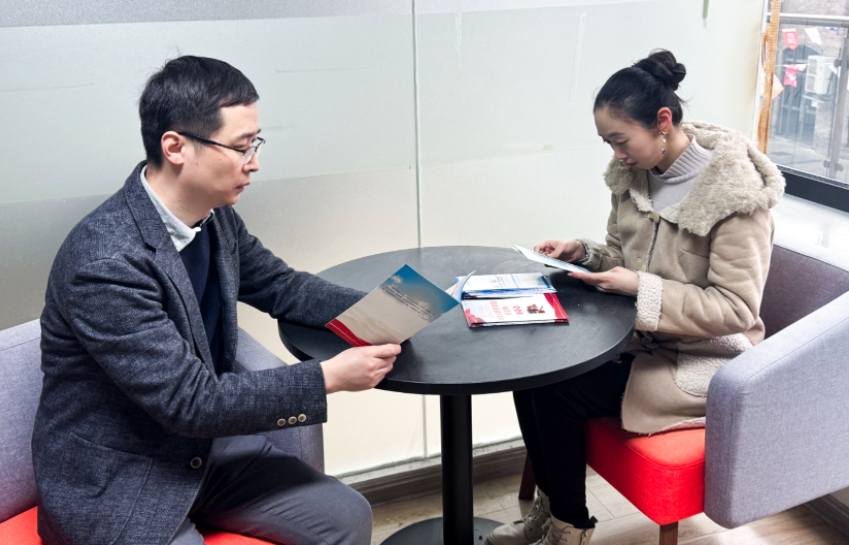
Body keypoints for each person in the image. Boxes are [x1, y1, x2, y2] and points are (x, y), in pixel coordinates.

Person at [33, 56, 401, 545]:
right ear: (176, 147)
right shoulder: (104, 262)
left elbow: (283, 287)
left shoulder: (213, 216)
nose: (255, 162)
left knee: (345, 515)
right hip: (120, 477)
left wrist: (387, 313)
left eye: (256, 144)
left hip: (202, 452)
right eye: (241, 147)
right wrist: (329, 377)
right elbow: (191, 402)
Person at [486, 50, 784, 545]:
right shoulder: (635, 177)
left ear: (662, 121)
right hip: (640, 338)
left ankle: (569, 529)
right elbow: (622, 257)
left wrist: (639, 288)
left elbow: (735, 309)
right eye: (608, 142)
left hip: (704, 357)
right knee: (534, 372)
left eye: (621, 140)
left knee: (556, 391)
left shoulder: (736, 198)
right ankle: (554, 511)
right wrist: (582, 253)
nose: (616, 154)